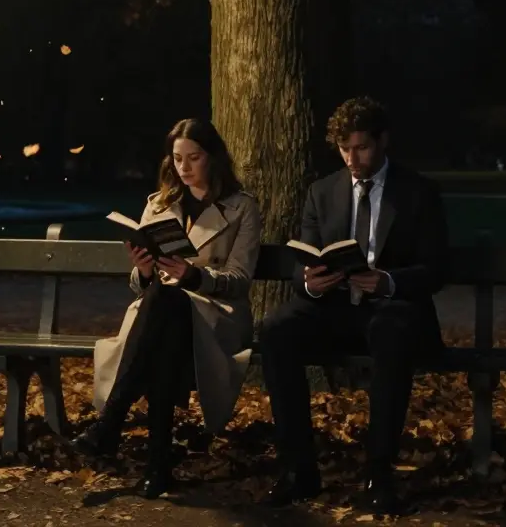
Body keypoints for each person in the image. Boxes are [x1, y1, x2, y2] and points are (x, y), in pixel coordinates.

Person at [260, 97, 448, 514]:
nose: (352, 158)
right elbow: (302, 259)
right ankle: (299, 470)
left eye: (361, 147)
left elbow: (436, 269)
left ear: (383, 141)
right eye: (344, 148)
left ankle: (379, 472)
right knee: (275, 331)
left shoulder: (417, 192)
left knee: (390, 331)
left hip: (392, 307)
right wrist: (309, 282)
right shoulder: (322, 192)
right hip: (334, 305)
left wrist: (388, 280)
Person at [74, 118, 262, 498]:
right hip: (163, 316)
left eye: (194, 158)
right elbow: (139, 285)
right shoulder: (159, 204)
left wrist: (194, 276)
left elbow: (240, 279)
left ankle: (112, 422)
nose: (185, 168)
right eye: (177, 159)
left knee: (170, 305)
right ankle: (155, 467)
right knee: (166, 314)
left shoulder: (242, 208)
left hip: (215, 316)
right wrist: (143, 271)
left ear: (213, 158)